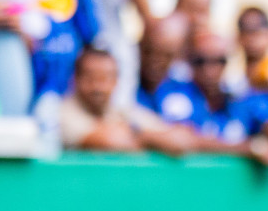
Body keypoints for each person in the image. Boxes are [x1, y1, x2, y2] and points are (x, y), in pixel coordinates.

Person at [152, 29, 268, 170]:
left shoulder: (237, 101)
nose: (210, 69)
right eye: (201, 61)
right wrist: (250, 147)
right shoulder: (176, 93)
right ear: (189, 61)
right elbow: (183, 139)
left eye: (219, 61)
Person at [60, 47, 191, 156]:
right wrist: (150, 139)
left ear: (116, 81)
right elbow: (112, 141)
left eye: (105, 78)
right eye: (90, 78)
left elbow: (178, 140)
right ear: (74, 79)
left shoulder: (121, 111)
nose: (97, 87)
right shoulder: (63, 111)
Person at [136, 15, 188, 114]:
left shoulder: (185, 91)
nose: (155, 60)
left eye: (165, 55)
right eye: (149, 52)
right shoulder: (127, 87)